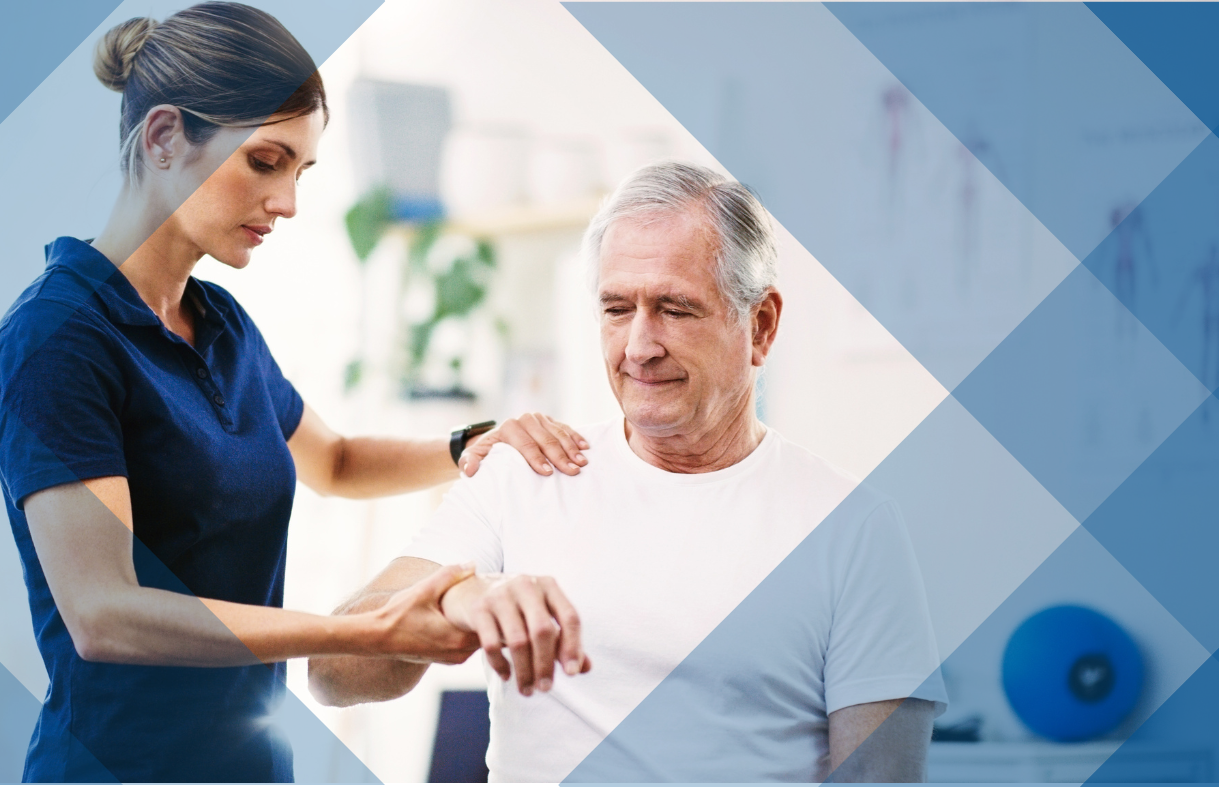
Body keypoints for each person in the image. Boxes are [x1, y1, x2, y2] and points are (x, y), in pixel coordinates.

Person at [0, 4, 590, 783]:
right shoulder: (57, 340)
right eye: (265, 161)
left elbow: (334, 461)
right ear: (164, 138)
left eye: (301, 171)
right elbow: (104, 615)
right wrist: (361, 633)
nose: (289, 202)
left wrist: (471, 443)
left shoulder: (219, 321)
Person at [309, 162, 947, 782]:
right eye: (617, 309)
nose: (639, 348)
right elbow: (330, 671)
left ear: (761, 324)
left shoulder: (854, 529)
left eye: (675, 308)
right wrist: (459, 600)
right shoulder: (526, 474)